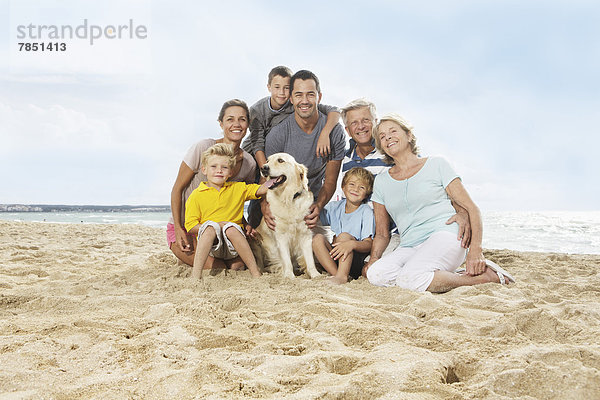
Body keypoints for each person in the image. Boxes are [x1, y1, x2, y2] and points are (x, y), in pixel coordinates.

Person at [364, 113, 515, 293]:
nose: (387, 136)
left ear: (409, 135)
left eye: (393, 131)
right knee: (376, 274)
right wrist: (374, 258)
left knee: (409, 278)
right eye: (382, 136)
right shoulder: (381, 182)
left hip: (445, 235)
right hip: (410, 244)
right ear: (381, 146)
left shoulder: (436, 164)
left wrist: (476, 249)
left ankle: (486, 277)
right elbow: (382, 233)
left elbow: (472, 209)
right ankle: (442, 275)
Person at [168, 99, 256, 268]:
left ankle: (189, 261)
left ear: (248, 124)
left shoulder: (249, 163)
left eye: (242, 119)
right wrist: (178, 228)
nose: (236, 124)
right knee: (218, 268)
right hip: (191, 228)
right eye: (230, 119)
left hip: (223, 233)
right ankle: (184, 257)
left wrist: (245, 225)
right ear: (221, 123)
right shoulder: (203, 148)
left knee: (237, 267)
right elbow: (177, 189)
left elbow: (234, 199)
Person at [260, 69, 346, 230]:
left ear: (319, 97)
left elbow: (330, 181)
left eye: (310, 94)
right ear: (291, 98)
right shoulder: (278, 134)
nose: (304, 101)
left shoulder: (334, 131)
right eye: (299, 95)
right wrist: (264, 205)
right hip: (279, 202)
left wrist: (318, 205)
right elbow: (266, 178)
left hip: (312, 201)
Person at [184, 143, 273, 279]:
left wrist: (277, 180)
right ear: (204, 170)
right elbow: (190, 226)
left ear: (230, 172)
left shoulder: (238, 188)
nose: (219, 171)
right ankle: (195, 276)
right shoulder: (197, 195)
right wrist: (218, 225)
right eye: (213, 167)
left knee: (231, 229)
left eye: (224, 167)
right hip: (212, 245)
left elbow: (260, 189)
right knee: (210, 227)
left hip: (233, 244)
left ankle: (255, 273)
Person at [241, 66, 341, 169]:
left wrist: (325, 133)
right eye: (277, 87)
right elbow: (257, 143)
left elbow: (335, 111)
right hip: (253, 152)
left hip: (273, 149)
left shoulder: (298, 103)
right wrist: (266, 170)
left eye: (287, 88)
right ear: (269, 87)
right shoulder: (257, 110)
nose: (281, 92)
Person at [313, 167, 375, 284]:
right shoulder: (335, 207)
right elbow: (316, 216)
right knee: (317, 239)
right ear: (343, 187)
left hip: (355, 259)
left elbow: (368, 244)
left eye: (361, 187)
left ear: (366, 194)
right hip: (335, 257)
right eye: (351, 184)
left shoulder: (366, 212)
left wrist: (351, 245)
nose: (355, 189)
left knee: (344, 236)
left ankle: (342, 276)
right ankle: (337, 275)